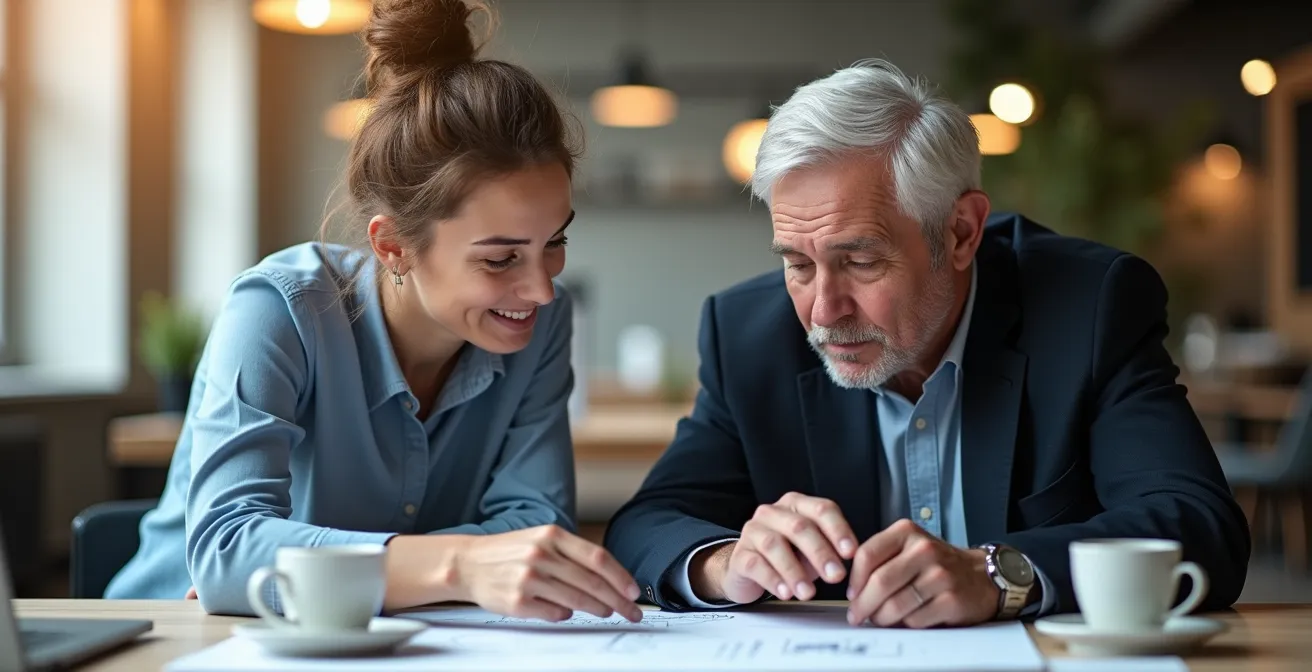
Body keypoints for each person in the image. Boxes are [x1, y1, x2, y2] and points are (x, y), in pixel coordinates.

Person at [603, 59, 1250, 628]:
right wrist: (724, 564)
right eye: (797, 264)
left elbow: (1197, 525)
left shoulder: (1087, 307)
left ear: (962, 232)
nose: (823, 310)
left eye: (860, 261)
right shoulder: (748, 336)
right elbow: (646, 523)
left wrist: (1000, 575)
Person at [106, 0, 642, 623]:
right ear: (393, 246)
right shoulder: (279, 309)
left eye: (555, 244)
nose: (542, 290)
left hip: (384, 638)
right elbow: (228, 555)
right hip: (176, 639)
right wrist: (462, 566)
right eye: (499, 260)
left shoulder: (541, 324)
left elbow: (534, 531)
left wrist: (306, 566)